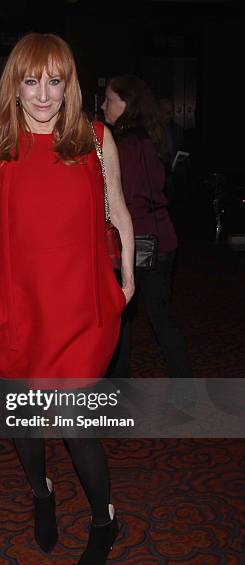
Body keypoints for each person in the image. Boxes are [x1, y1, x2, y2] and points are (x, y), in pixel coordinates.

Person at [0, 33, 134, 565]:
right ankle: (40, 492)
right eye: (31, 80)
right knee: (23, 415)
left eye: (55, 80)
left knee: (72, 419)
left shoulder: (93, 138)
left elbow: (117, 209)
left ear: (69, 85)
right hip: (19, 299)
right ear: (14, 86)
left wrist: (129, 270)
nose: (44, 93)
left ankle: (102, 520)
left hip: (79, 304)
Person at [102, 75, 192, 379]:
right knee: (160, 316)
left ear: (127, 104)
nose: (103, 106)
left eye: (109, 100)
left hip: (137, 240)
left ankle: (119, 386)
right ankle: (185, 384)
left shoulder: (126, 143)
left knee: (123, 314)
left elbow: (121, 199)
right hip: (163, 236)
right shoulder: (153, 136)